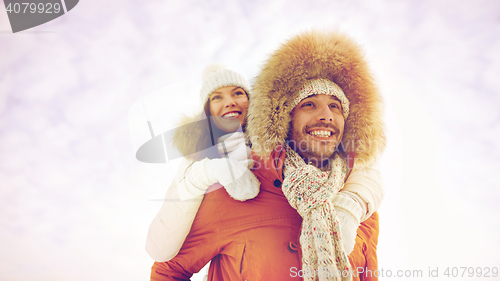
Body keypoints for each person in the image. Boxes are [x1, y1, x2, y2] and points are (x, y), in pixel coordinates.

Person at [149, 29, 385, 280]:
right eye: (309, 104)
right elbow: (168, 270)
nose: (326, 115)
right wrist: (202, 173)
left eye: (335, 106)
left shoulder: (360, 206)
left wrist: (351, 206)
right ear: (285, 117)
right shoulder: (230, 192)